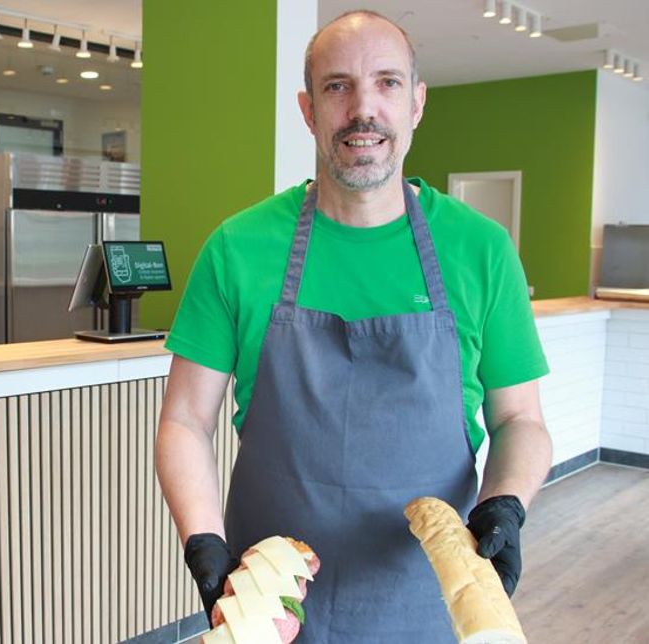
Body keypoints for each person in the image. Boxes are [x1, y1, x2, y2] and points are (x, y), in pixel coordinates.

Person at [155, 9, 552, 643]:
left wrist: (505, 501)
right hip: (273, 604)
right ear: (308, 110)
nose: (363, 109)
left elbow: (521, 420)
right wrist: (203, 541)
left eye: (387, 83)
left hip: (425, 600)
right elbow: (184, 420)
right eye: (337, 86)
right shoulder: (237, 248)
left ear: (416, 103)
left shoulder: (482, 250)